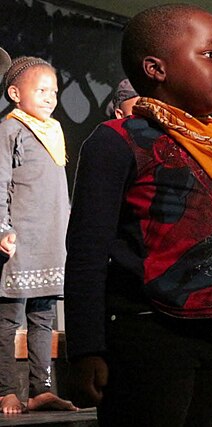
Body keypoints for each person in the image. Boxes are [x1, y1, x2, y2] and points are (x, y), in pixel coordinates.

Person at [65, 4, 212, 425]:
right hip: (150, 337)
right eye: (209, 55)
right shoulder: (118, 141)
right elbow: (86, 251)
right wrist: (86, 348)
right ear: (156, 68)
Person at [0, 56, 76, 414]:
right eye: (41, 90)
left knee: (43, 316)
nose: (50, 97)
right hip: (20, 242)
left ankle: (40, 388)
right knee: (8, 318)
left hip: (50, 241)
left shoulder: (54, 130)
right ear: (15, 93)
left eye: (54, 91)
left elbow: (57, 191)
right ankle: (5, 390)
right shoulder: (10, 129)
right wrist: (2, 227)